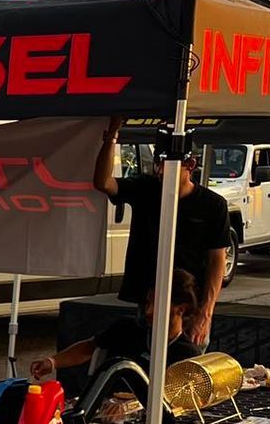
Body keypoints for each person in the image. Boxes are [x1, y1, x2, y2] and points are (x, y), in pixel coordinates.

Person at [94, 118, 230, 346]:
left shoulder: (212, 205)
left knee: (185, 372)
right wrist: (112, 137)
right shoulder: (146, 189)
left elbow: (218, 259)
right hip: (149, 299)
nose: (160, 170)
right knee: (145, 361)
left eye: (168, 164)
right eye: (158, 163)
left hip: (187, 305)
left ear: (190, 165)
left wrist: (206, 312)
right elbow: (103, 182)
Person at [34, 270, 203, 381]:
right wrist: (52, 362)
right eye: (147, 303)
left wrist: (131, 406)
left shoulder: (187, 355)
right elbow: (89, 348)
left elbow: (179, 402)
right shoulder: (128, 328)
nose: (149, 311)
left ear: (180, 309)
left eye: (157, 305)